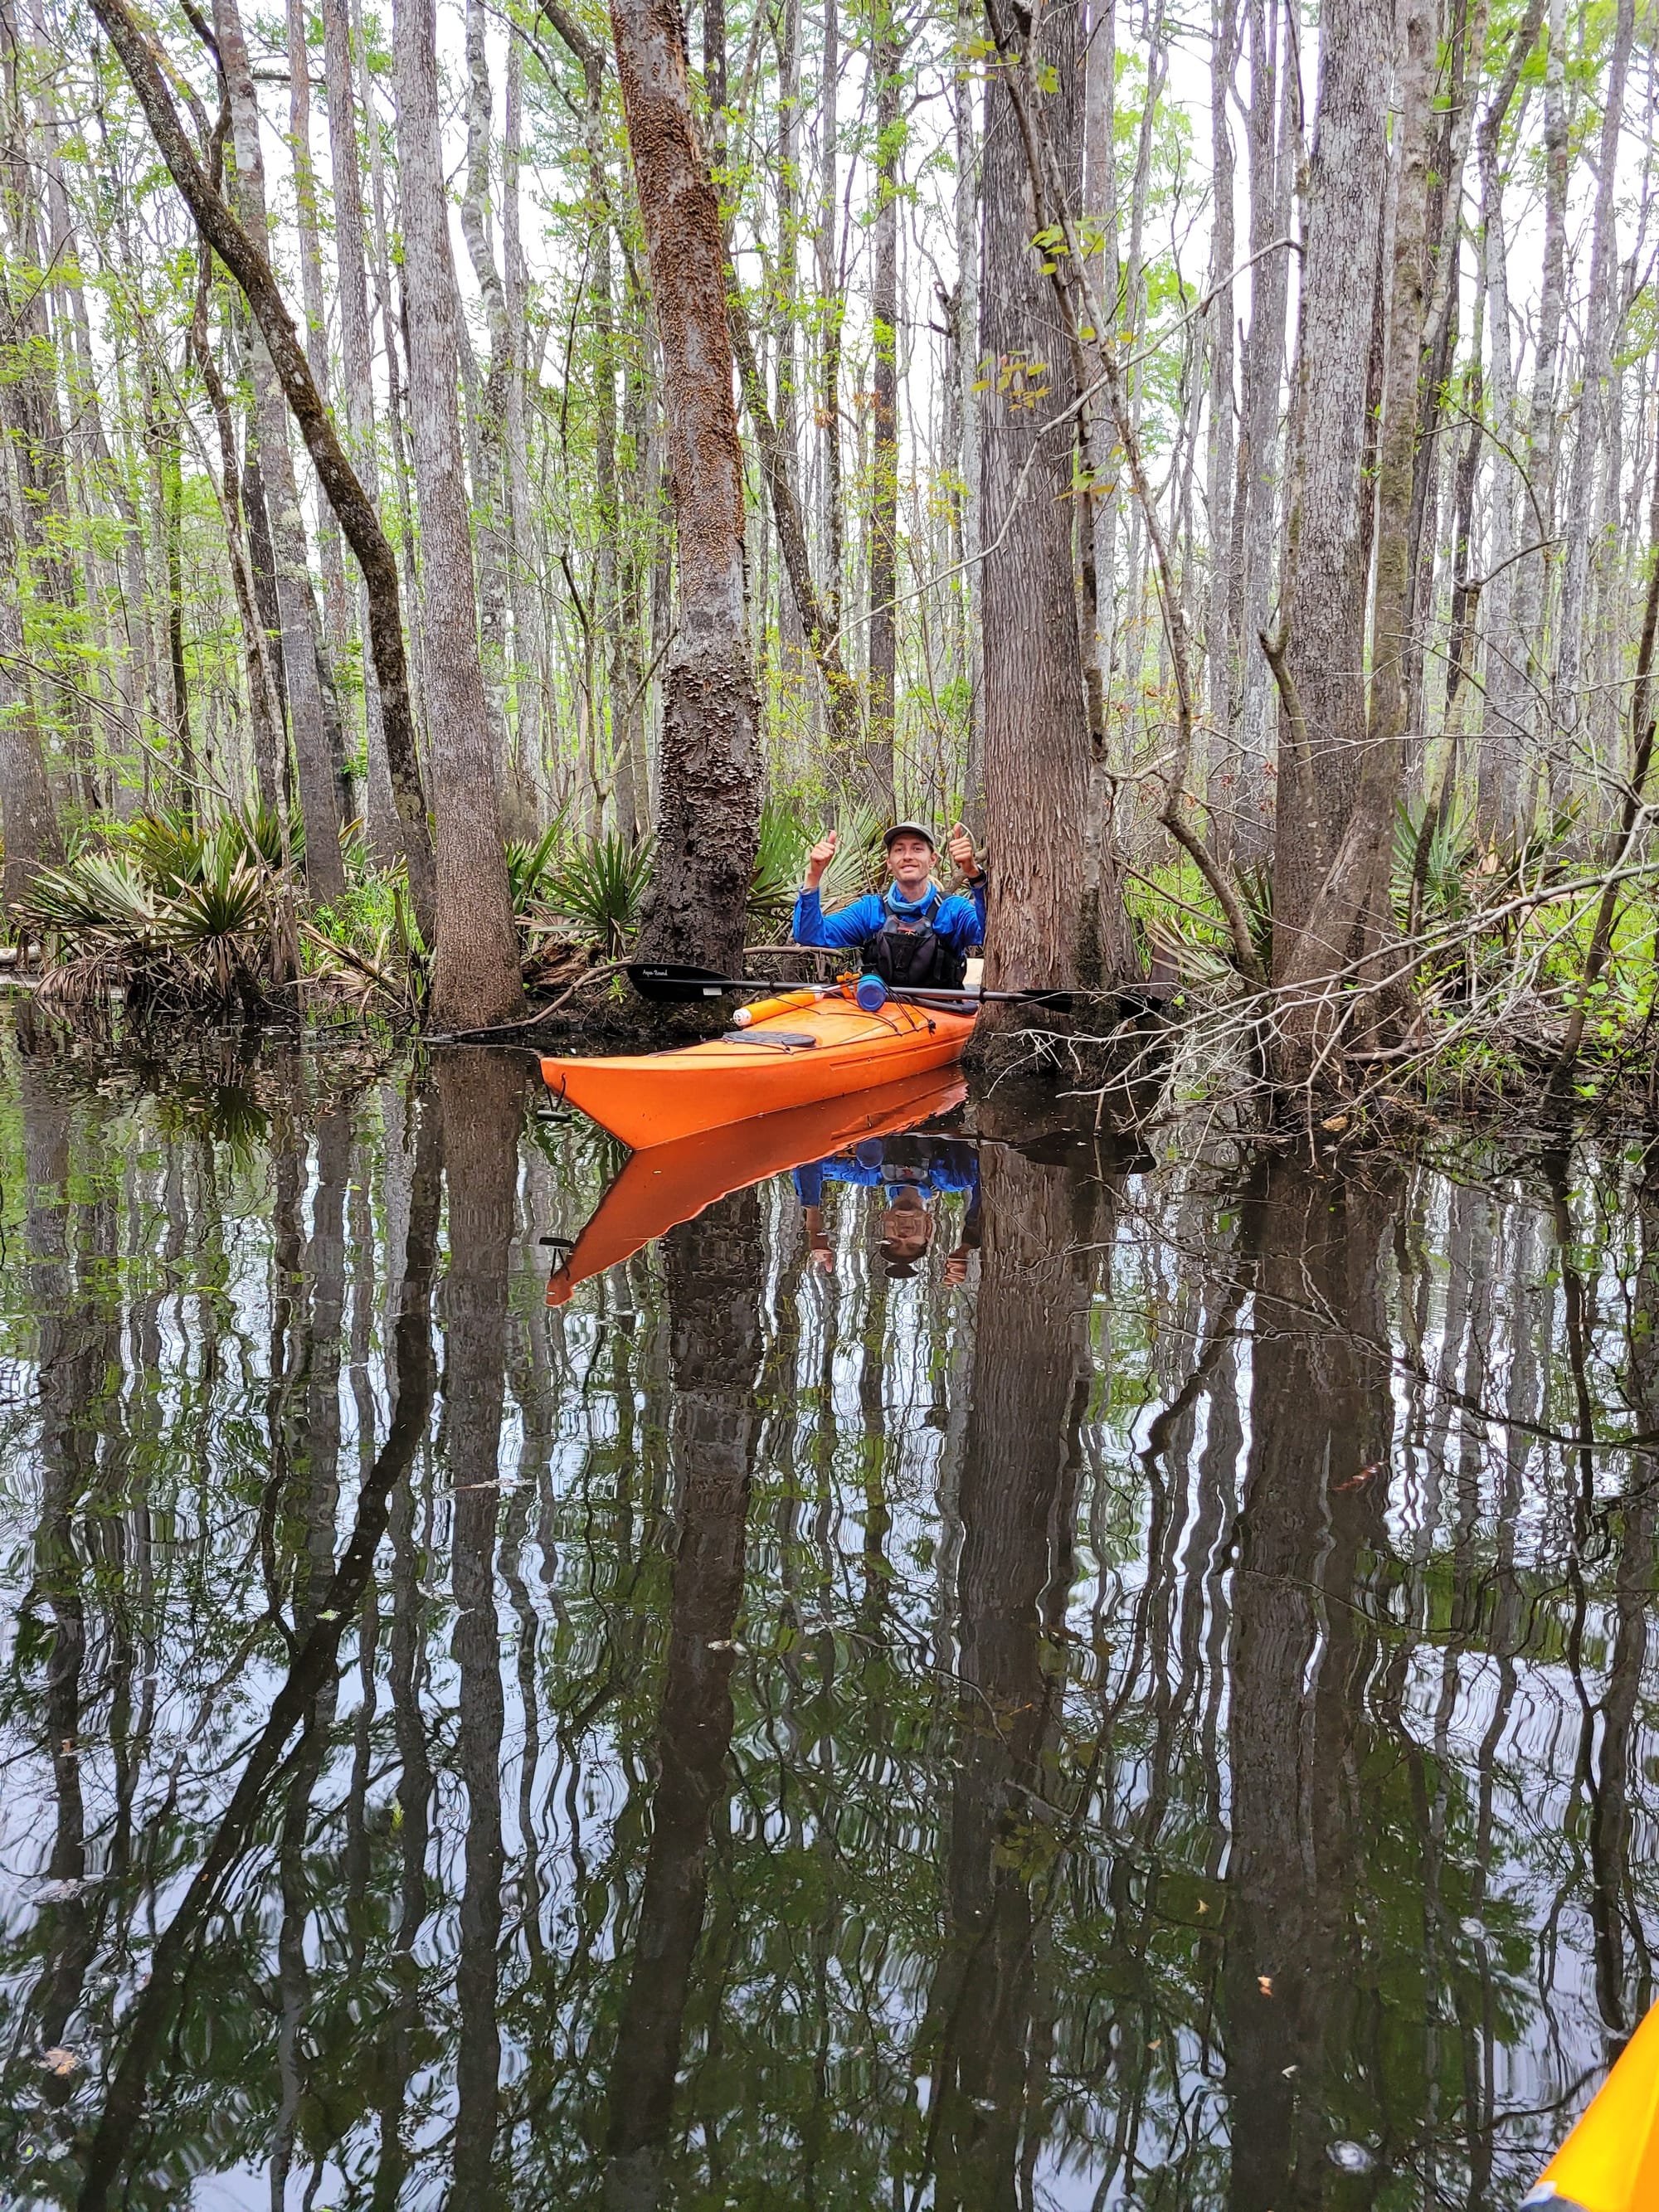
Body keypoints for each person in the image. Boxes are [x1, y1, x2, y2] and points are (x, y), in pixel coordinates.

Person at [791, 820, 985, 990]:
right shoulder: (870, 910)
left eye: (917, 849)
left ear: (932, 860)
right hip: (881, 1014)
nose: (907, 856)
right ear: (889, 862)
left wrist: (974, 874)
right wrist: (813, 875)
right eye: (899, 850)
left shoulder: (953, 910)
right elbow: (811, 934)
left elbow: (990, 933)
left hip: (942, 1016)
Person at [795, 1131, 981, 1283]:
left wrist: (814, 1227)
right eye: (911, 1244)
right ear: (929, 1226)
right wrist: (967, 1245)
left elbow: (808, 1160)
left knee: (869, 1158)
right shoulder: (951, 1178)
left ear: (884, 1218)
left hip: (874, 1107)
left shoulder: (868, 1174)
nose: (903, 1236)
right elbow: (983, 1173)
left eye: (894, 1242)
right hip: (935, 1106)